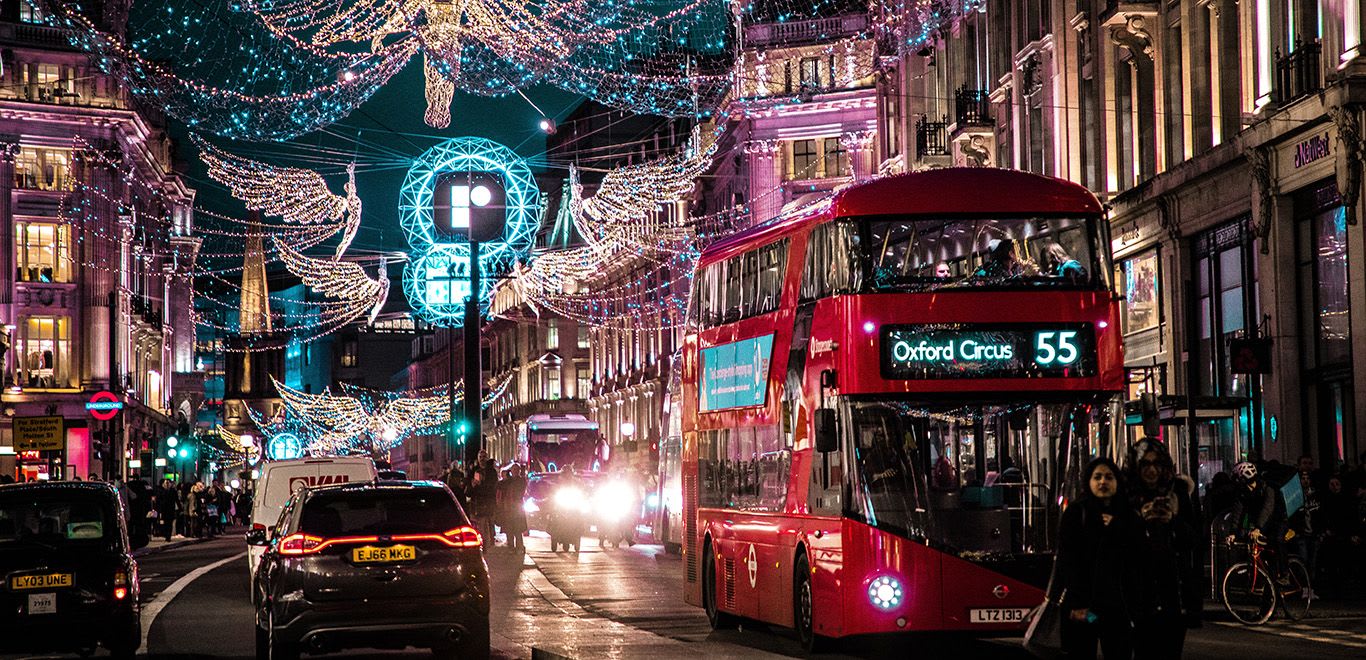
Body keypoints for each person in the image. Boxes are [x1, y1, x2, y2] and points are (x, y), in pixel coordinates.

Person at [1123, 438, 1201, 659]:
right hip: (1139, 592)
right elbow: (1118, 542)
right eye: (1145, 464)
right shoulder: (1127, 494)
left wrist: (1172, 520)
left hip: (1172, 592)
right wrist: (1141, 519)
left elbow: (1194, 539)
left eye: (1157, 463)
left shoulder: (1177, 492)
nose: (1152, 470)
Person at [1057, 457, 1140, 660]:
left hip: (1118, 609)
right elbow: (1068, 561)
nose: (1103, 482)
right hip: (1086, 609)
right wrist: (1077, 603)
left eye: (1109, 477)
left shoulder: (1127, 514)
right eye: (1097, 477)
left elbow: (1137, 556)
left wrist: (1117, 528)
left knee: (1119, 650)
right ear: (1088, 481)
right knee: (1083, 649)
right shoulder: (1077, 513)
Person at [1228, 461, 1289, 582]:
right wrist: (1233, 532)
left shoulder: (1268, 488)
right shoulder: (1243, 493)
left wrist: (1258, 528)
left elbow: (1267, 509)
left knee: (1277, 540)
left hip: (1278, 520)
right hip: (1260, 523)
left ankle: (1284, 573)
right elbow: (1238, 513)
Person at [500, 465, 529, 551]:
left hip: (517, 508)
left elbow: (521, 491)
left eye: (517, 470)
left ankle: (519, 547)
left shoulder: (521, 481)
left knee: (518, 529)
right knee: (509, 529)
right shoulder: (508, 481)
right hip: (509, 508)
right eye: (513, 470)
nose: (515, 471)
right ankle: (511, 546)